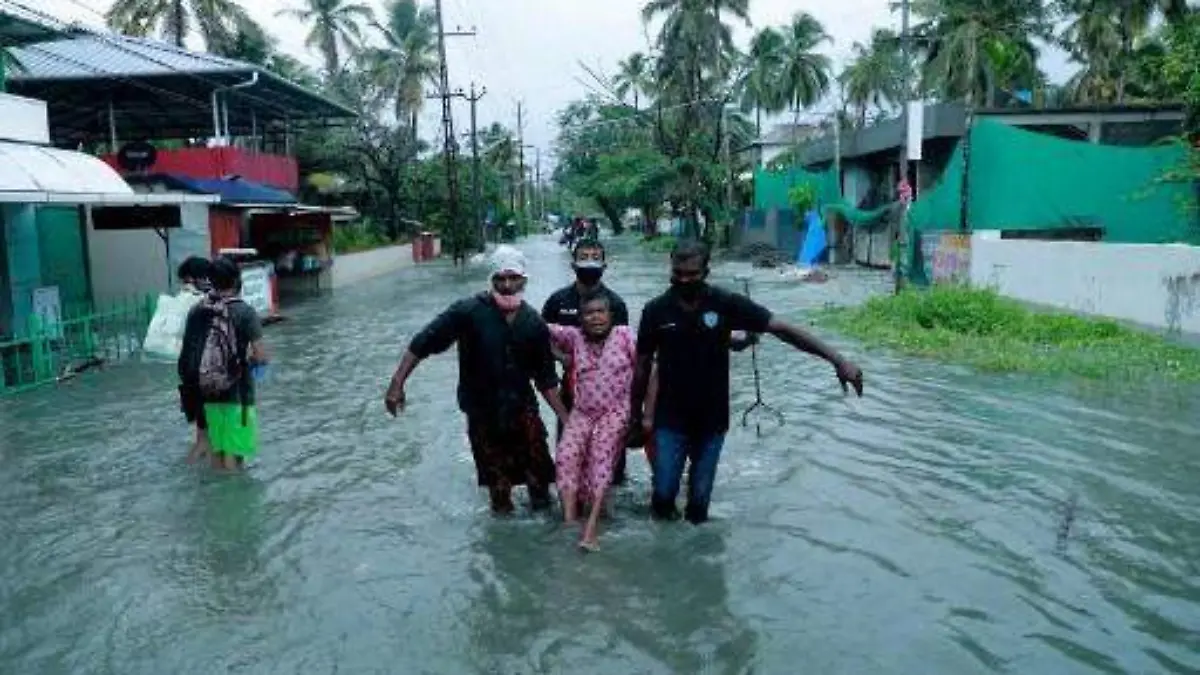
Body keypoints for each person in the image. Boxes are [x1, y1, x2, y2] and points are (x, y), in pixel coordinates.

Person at [631, 240, 864, 524]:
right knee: (664, 494)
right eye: (678, 273)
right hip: (670, 418)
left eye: (691, 274)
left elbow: (783, 330)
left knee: (699, 505)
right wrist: (636, 416)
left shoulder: (726, 303)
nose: (684, 279)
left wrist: (837, 360)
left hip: (712, 418)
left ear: (706, 270)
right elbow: (642, 366)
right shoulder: (655, 310)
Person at [384, 245, 570, 515]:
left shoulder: (534, 323)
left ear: (524, 280)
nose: (506, 285)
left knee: (541, 487)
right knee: (500, 494)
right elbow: (423, 342)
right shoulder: (468, 311)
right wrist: (397, 383)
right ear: (491, 280)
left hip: (523, 412)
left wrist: (567, 419)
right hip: (482, 414)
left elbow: (545, 379)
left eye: (513, 278)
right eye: (500, 279)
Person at [547, 292, 636, 551]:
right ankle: (569, 521)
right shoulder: (574, 337)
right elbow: (540, 328)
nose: (595, 317)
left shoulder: (625, 335)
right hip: (583, 411)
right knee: (565, 455)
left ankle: (591, 530)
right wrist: (561, 357)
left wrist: (643, 414)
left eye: (600, 312)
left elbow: (646, 366)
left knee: (600, 457)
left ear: (610, 315)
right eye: (588, 313)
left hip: (616, 410)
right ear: (581, 319)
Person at [542, 239, 632, 486]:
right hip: (572, 393)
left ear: (604, 264)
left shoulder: (615, 304)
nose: (590, 261)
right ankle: (572, 515)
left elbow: (626, 351)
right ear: (573, 264)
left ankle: (609, 511)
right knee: (568, 459)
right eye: (584, 256)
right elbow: (539, 337)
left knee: (612, 468)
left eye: (595, 256)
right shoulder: (557, 301)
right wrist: (563, 357)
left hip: (612, 400)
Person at [179, 256, 269, 472]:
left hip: (207, 391)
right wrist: (252, 361)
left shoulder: (197, 310)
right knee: (236, 454)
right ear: (237, 280)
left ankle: (217, 499)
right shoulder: (245, 312)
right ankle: (236, 501)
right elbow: (261, 355)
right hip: (239, 393)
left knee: (217, 452)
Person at [175, 256, 212, 464]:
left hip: (187, 368)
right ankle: (191, 474)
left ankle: (199, 476)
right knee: (204, 438)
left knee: (202, 431)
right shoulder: (200, 301)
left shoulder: (182, 301)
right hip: (202, 369)